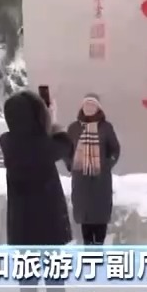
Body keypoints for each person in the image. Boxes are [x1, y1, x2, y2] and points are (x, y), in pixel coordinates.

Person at [0, 90, 75, 292]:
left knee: (27, 286)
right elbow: (65, 145)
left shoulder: (7, 141)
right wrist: (53, 120)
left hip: (22, 229)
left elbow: (40, 140)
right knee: (55, 285)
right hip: (48, 229)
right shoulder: (42, 146)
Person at [63, 93, 121, 245]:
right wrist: (71, 165)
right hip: (81, 180)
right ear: (82, 107)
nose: (89, 108)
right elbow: (66, 149)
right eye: (86, 105)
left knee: (100, 216)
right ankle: (88, 250)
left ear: (98, 108)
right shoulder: (74, 128)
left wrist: (106, 164)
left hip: (100, 180)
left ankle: (99, 247)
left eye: (92, 105)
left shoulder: (106, 127)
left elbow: (115, 149)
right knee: (85, 217)